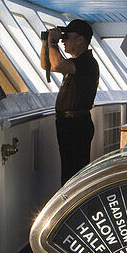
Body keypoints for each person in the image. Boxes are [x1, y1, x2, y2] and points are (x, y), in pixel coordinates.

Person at [41, 18, 100, 184]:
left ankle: (76, 207)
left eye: (68, 37)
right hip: (69, 123)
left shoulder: (87, 62)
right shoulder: (76, 62)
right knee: (69, 170)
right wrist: (46, 42)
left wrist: (53, 43)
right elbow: (48, 65)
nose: (64, 40)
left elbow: (58, 65)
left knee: (74, 173)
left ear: (81, 39)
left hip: (76, 124)